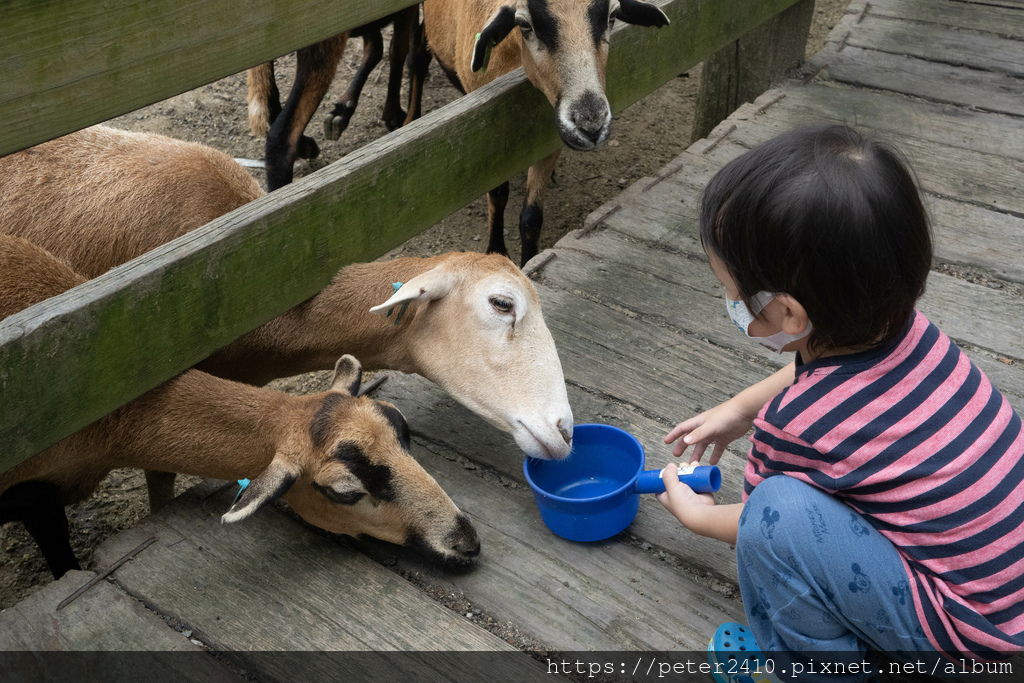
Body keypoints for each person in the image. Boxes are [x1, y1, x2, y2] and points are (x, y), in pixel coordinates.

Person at [655, 124, 1023, 681]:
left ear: (790, 316)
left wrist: (699, 518)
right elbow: (812, 373)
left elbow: (761, 526)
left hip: (974, 646)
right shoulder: (914, 333)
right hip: (1002, 600)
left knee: (780, 520)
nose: (728, 300)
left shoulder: (800, 425)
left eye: (731, 290)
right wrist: (739, 408)